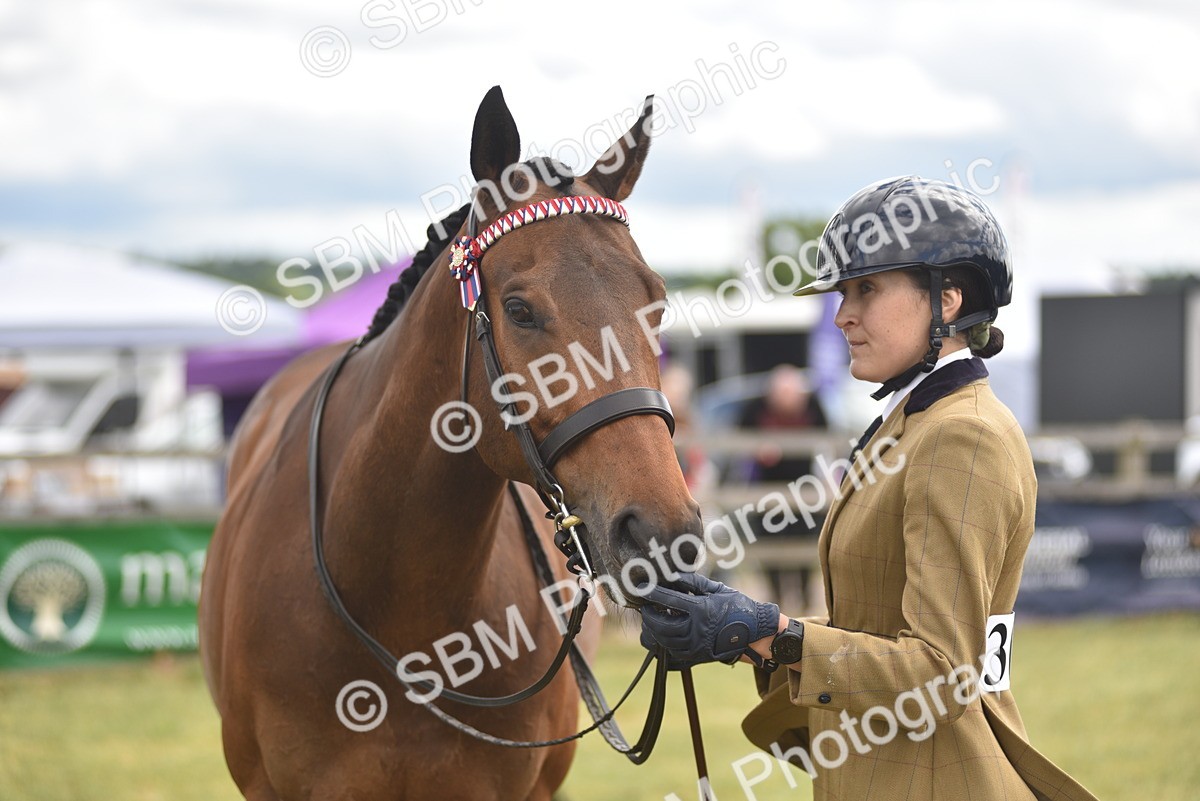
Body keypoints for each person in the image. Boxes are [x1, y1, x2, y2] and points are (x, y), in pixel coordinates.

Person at [639, 177, 1097, 800]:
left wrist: (772, 630)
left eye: (868, 289)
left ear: (949, 300)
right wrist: (734, 628)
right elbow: (874, 623)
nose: (843, 314)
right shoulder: (915, 424)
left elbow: (941, 670)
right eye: (843, 292)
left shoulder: (964, 437)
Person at [734, 364, 827, 613]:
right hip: (766, 491)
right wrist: (758, 447)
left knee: (806, 545)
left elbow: (827, 437)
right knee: (769, 544)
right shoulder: (755, 408)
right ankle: (777, 602)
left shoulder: (814, 406)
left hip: (804, 489)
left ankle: (806, 602)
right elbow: (739, 436)